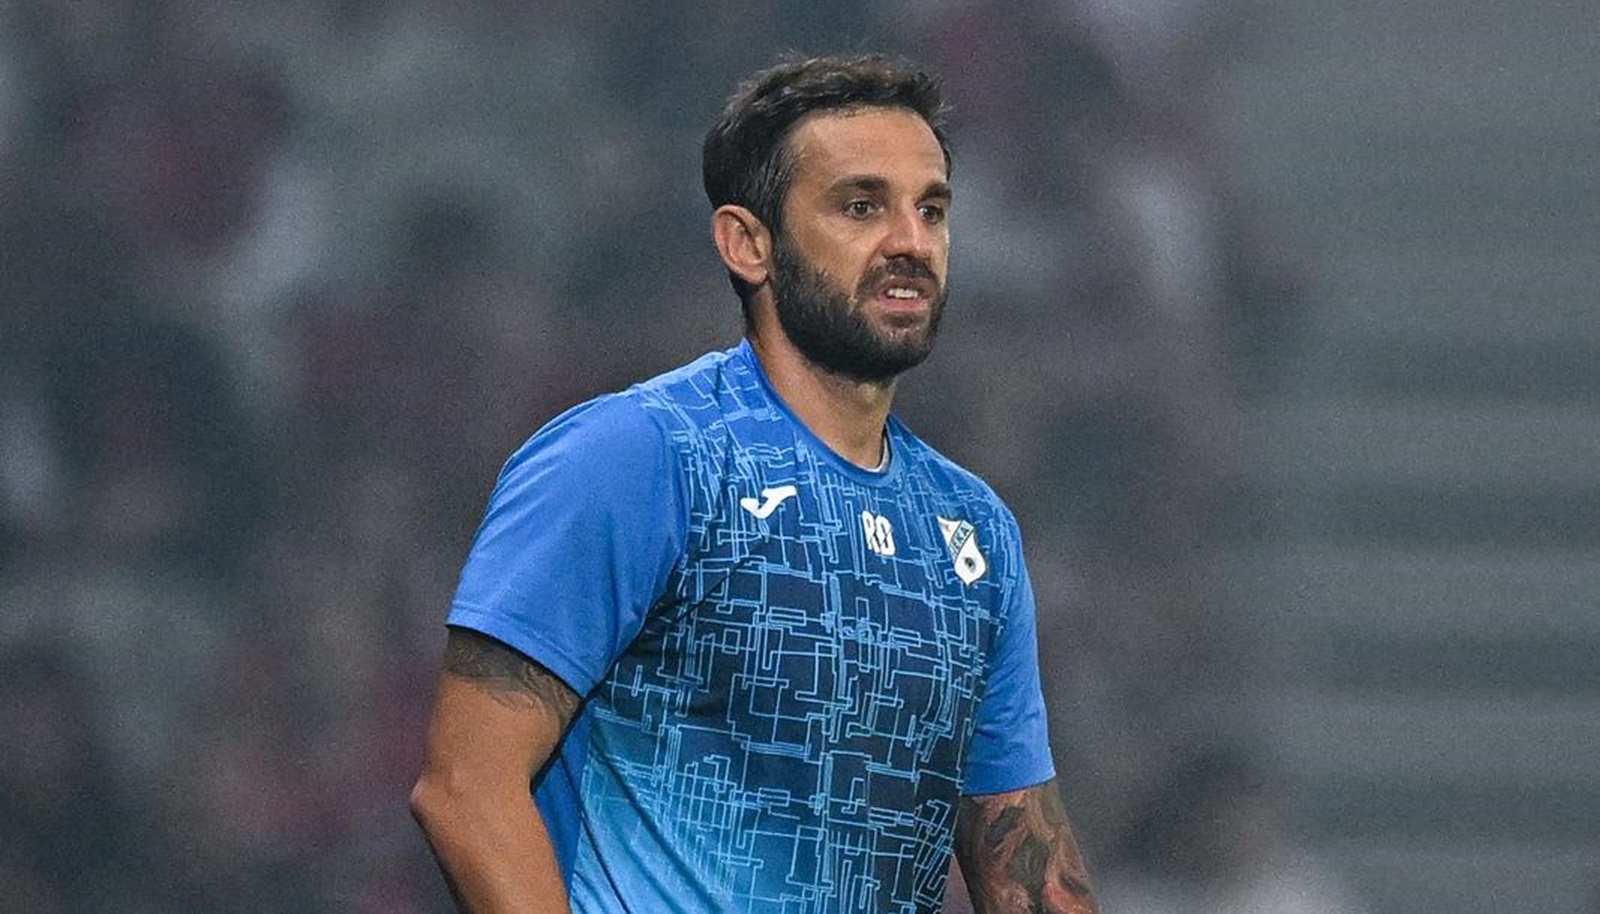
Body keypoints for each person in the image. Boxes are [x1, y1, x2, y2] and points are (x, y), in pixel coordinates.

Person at [410, 53, 1099, 914]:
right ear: (747, 242)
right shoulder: (638, 457)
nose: (910, 242)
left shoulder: (974, 530)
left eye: (931, 209)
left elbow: (1024, 864)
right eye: (861, 205)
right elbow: (466, 789)